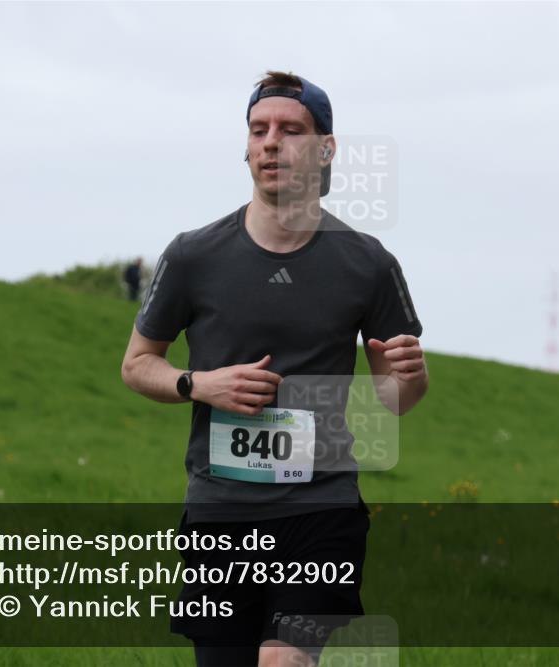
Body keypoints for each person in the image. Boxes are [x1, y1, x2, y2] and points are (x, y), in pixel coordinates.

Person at [121, 70, 428, 667]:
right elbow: (137, 365)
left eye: (291, 130)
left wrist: (408, 379)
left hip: (321, 508)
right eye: (258, 130)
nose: (271, 142)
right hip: (220, 509)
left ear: (326, 148)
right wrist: (199, 384)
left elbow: (395, 399)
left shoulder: (368, 263)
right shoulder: (193, 255)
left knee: (284, 661)